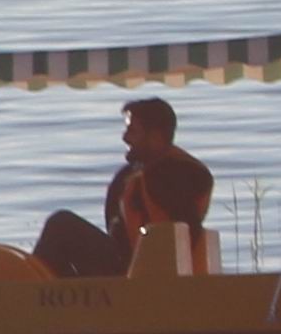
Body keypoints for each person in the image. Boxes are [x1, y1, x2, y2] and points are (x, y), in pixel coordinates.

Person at [37, 95, 215, 281]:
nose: (125, 137)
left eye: (133, 130)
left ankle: (33, 293)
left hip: (140, 268)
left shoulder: (176, 175)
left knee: (61, 224)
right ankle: (56, 297)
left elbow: (182, 234)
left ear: (155, 137)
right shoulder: (134, 172)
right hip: (126, 262)